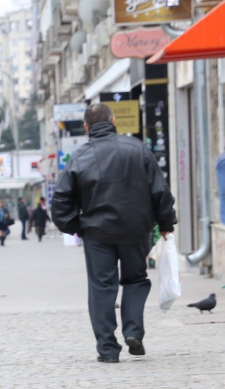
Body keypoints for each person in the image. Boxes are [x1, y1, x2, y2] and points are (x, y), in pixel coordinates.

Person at [51, 103, 176, 363]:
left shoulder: (79, 157)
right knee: (136, 279)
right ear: (114, 120)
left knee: (101, 287)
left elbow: (60, 202)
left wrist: (78, 227)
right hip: (135, 230)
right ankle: (133, 331)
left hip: (97, 233)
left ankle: (107, 349)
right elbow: (160, 191)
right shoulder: (137, 149)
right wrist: (165, 223)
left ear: (86, 127)